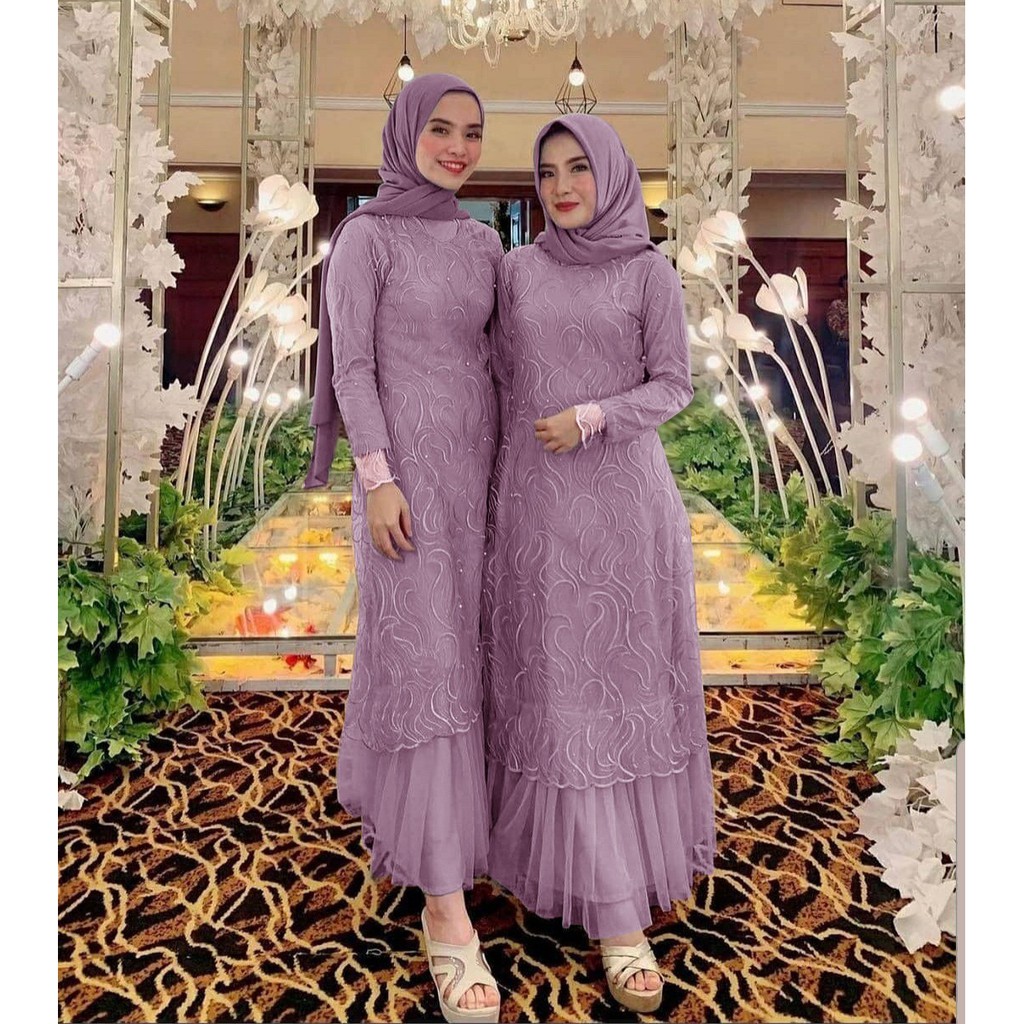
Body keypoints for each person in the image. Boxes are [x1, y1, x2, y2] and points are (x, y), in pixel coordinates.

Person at [481, 114, 717, 1015]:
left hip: (623, 511)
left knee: (615, 690)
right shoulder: (517, 269)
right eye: (547, 173)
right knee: (552, 688)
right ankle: (563, 863)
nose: (562, 187)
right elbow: (491, 379)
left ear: (612, 174)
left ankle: (620, 916)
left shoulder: (648, 271)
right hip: (535, 512)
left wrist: (593, 417)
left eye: (579, 168)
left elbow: (674, 384)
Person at [305, 73, 503, 1023]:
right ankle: (444, 910)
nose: (458, 147)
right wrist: (378, 475)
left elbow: (507, 356)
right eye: (441, 130)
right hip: (405, 485)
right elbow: (352, 366)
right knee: (425, 664)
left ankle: (467, 834)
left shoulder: (482, 243)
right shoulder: (365, 238)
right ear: (404, 134)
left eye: (473, 133)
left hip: (484, 475)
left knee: (471, 658)